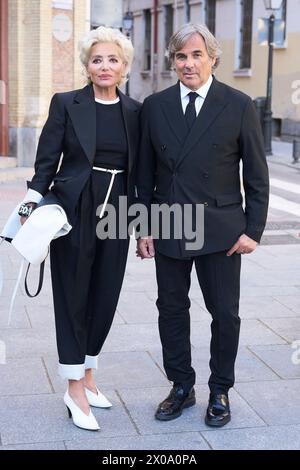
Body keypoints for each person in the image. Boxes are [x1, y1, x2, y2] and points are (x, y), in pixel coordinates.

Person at [136, 23, 269, 427]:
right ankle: (181, 385)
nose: (189, 63)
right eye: (181, 56)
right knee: (171, 309)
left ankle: (220, 390)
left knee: (224, 313)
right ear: (172, 61)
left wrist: (253, 231)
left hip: (221, 229)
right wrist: (142, 226)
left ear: (213, 58)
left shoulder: (239, 104)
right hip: (170, 222)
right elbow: (144, 173)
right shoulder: (154, 106)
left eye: (196, 55)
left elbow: (257, 175)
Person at [20, 26, 141, 431]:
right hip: (75, 206)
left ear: (124, 66)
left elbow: (142, 173)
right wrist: (30, 204)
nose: (104, 66)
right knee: (73, 294)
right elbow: (45, 162)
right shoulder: (66, 104)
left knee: (105, 295)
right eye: (96, 59)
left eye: (112, 59)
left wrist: (144, 226)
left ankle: (89, 375)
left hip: (119, 207)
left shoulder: (135, 112)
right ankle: (73, 387)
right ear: (86, 66)